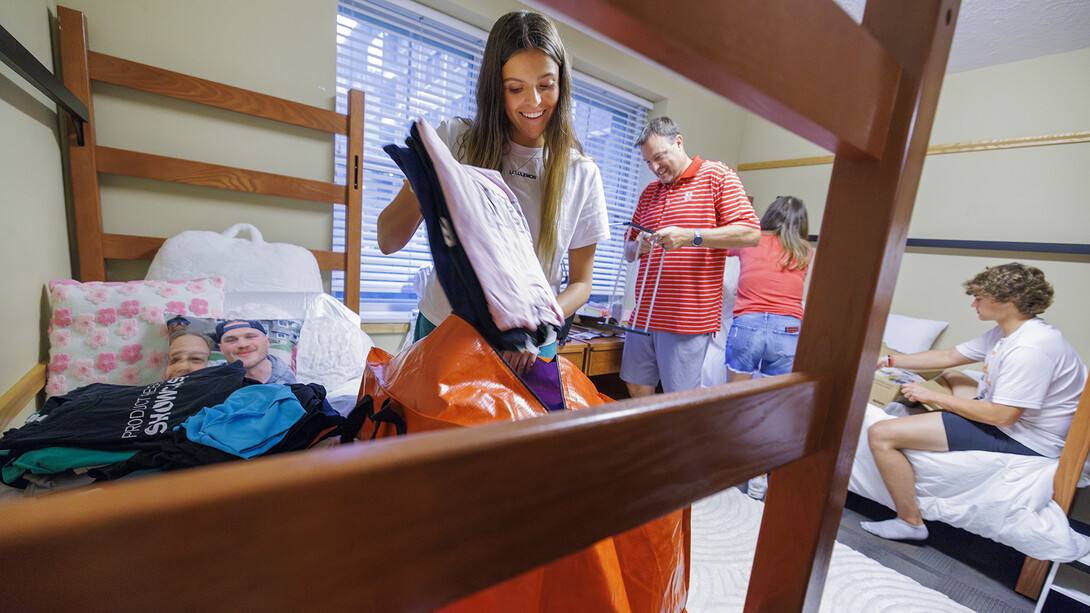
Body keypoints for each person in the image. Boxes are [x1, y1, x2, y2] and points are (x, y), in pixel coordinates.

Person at [376, 10, 609, 376]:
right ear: (494, 87)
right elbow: (388, 240)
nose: (533, 102)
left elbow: (582, 282)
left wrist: (530, 331)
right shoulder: (454, 140)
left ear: (562, 83)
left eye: (546, 85)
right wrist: (425, 177)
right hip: (446, 332)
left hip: (528, 349)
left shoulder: (582, 173)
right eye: (516, 88)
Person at [861, 263, 1087, 541]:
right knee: (952, 375)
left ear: (1008, 301)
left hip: (1026, 438)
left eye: (980, 298)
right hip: (1009, 420)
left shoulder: (1031, 348)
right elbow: (947, 358)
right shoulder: (1010, 331)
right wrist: (887, 360)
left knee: (880, 433)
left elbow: (1003, 416)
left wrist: (934, 397)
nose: (973, 304)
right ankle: (916, 417)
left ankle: (910, 522)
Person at [620, 116, 760, 397]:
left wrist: (691, 236)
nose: (654, 168)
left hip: (686, 318)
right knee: (635, 385)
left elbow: (750, 233)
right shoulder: (649, 193)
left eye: (659, 157)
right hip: (643, 314)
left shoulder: (716, 176)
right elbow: (628, 251)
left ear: (679, 142)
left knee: (679, 398)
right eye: (648, 162)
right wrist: (641, 247)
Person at [722, 195, 812, 500]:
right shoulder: (805, 252)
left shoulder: (752, 241)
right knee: (774, 408)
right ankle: (760, 477)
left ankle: (729, 470)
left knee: (736, 402)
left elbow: (721, 241)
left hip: (748, 323)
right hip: (788, 330)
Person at [213, 320, 297, 385]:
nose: (242, 344)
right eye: (231, 340)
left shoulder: (293, 385)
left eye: (250, 336)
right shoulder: (212, 383)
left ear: (267, 341)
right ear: (221, 348)